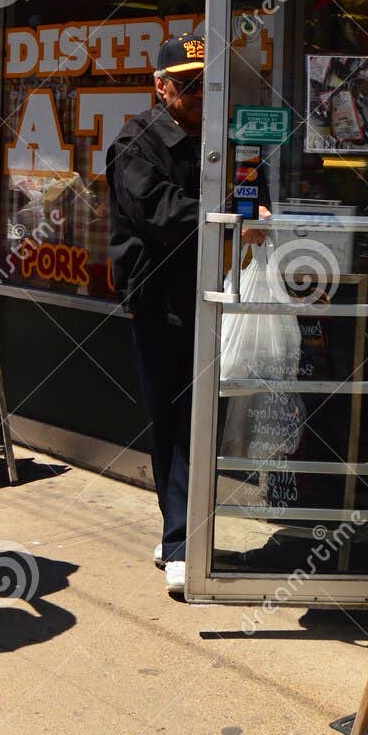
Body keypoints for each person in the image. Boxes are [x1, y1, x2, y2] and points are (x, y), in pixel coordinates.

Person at [107, 35, 266, 600]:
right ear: (161, 85)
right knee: (171, 417)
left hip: (219, 290)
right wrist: (229, 216)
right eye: (187, 83)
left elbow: (249, 188)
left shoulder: (226, 136)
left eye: (206, 82)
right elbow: (159, 211)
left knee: (203, 415)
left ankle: (181, 532)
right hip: (160, 299)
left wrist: (253, 207)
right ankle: (180, 538)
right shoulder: (136, 140)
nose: (199, 94)